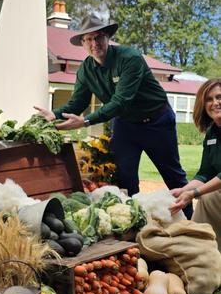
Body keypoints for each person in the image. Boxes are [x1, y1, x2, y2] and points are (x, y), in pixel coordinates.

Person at [35, 16, 191, 218]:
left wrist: (86, 121)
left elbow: (121, 101)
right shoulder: (86, 70)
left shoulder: (130, 58)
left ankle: (190, 223)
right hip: (126, 125)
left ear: (107, 37)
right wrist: (53, 114)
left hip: (156, 121)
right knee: (125, 178)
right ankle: (135, 223)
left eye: (99, 37)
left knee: (173, 176)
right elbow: (77, 103)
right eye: (89, 39)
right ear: (82, 43)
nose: (94, 43)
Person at [170, 78, 221, 249]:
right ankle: (204, 250)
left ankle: (199, 247)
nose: (215, 103)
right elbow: (205, 173)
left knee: (207, 197)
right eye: (209, 99)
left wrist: (194, 193)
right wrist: (183, 190)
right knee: (207, 197)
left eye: (219, 97)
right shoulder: (212, 133)